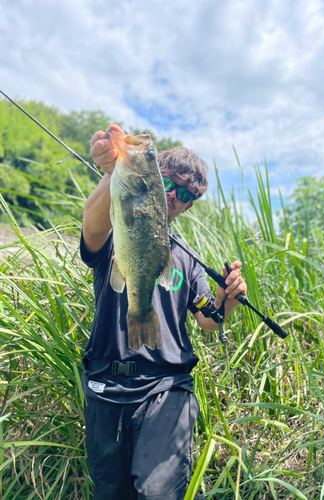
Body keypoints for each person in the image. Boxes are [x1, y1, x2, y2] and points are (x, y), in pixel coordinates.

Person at [80, 124, 247, 500]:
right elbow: (91, 227)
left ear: (189, 206)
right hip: (105, 381)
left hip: (167, 387)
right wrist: (114, 171)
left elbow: (208, 320)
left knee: (158, 493)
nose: (173, 195)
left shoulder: (187, 259)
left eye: (186, 194)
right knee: (109, 493)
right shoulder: (117, 223)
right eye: (168, 183)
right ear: (154, 180)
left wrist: (227, 298)